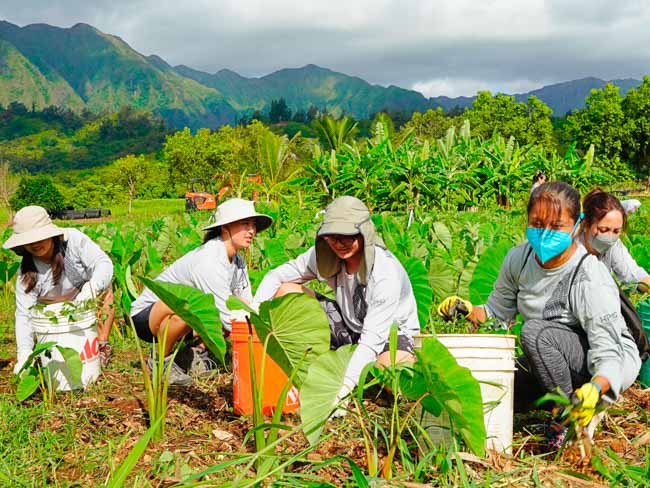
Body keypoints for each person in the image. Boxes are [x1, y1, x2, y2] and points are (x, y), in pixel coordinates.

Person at [438, 182, 641, 448]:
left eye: (556, 226)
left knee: (534, 332)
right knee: (499, 388)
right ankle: (560, 399)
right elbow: (497, 314)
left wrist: (596, 387)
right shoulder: (519, 258)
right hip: (548, 357)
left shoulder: (588, 274)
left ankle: (566, 418)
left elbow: (609, 352)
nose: (545, 233)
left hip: (603, 362)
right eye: (537, 223)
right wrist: (466, 309)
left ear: (577, 224)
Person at [253, 196, 420, 407]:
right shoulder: (326, 254)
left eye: (347, 237)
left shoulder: (384, 273)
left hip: (391, 336)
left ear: (364, 234)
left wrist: (340, 392)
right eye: (332, 237)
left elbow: (371, 341)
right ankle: (317, 368)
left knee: (390, 374)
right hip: (350, 327)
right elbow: (275, 277)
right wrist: (251, 311)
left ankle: (364, 376)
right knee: (287, 291)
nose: (339, 244)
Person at [130, 198, 272, 386]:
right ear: (225, 227)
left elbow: (243, 304)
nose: (251, 231)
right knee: (188, 307)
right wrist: (257, 346)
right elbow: (226, 316)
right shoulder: (209, 260)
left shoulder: (238, 261)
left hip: (190, 317)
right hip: (147, 316)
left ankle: (195, 354)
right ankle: (159, 361)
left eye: (253, 225)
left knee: (227, 308)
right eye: (245, 224)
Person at [4, 206, 115, 373]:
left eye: (39, 237)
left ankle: (101, 345)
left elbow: (103, 263)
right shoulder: (26, 274)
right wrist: (24, 353)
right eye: (29, 240)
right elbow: (23, 315)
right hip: (51, 311)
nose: (35, 244)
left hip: (83, 295)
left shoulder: (73, 241)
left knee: (105, 287)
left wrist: (91, 289)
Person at [580, 189, 650, 292]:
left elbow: (633, 274)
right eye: (603, 230)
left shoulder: (613, 245)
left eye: (616, 231)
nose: (610, 237)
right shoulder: (568, 246)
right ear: (585, 225)